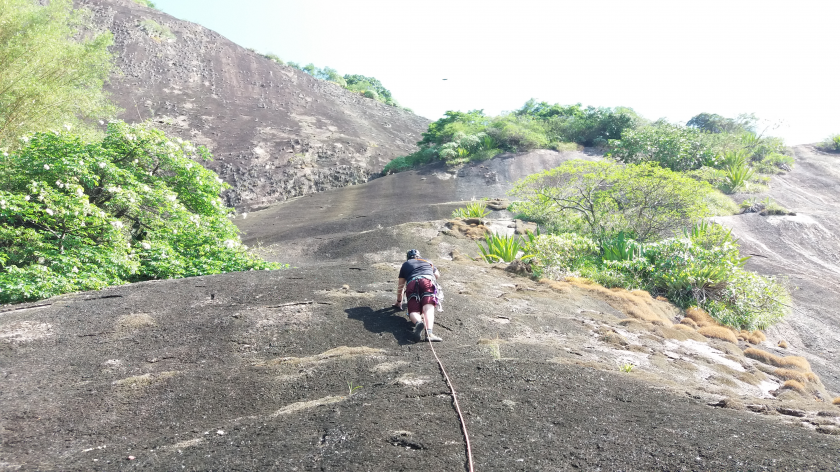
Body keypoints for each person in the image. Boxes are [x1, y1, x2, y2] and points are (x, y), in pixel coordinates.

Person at [393, 249, 442, 342]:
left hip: (412, 282)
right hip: (427, 281)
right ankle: (429, 333)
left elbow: (401, 286)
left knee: (414, 311)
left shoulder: (405, 264)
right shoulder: (427, 261)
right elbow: (437, 275)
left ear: (408, 257)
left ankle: (418, 322)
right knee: (428, 309)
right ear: (419, 256)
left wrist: (399, 301)